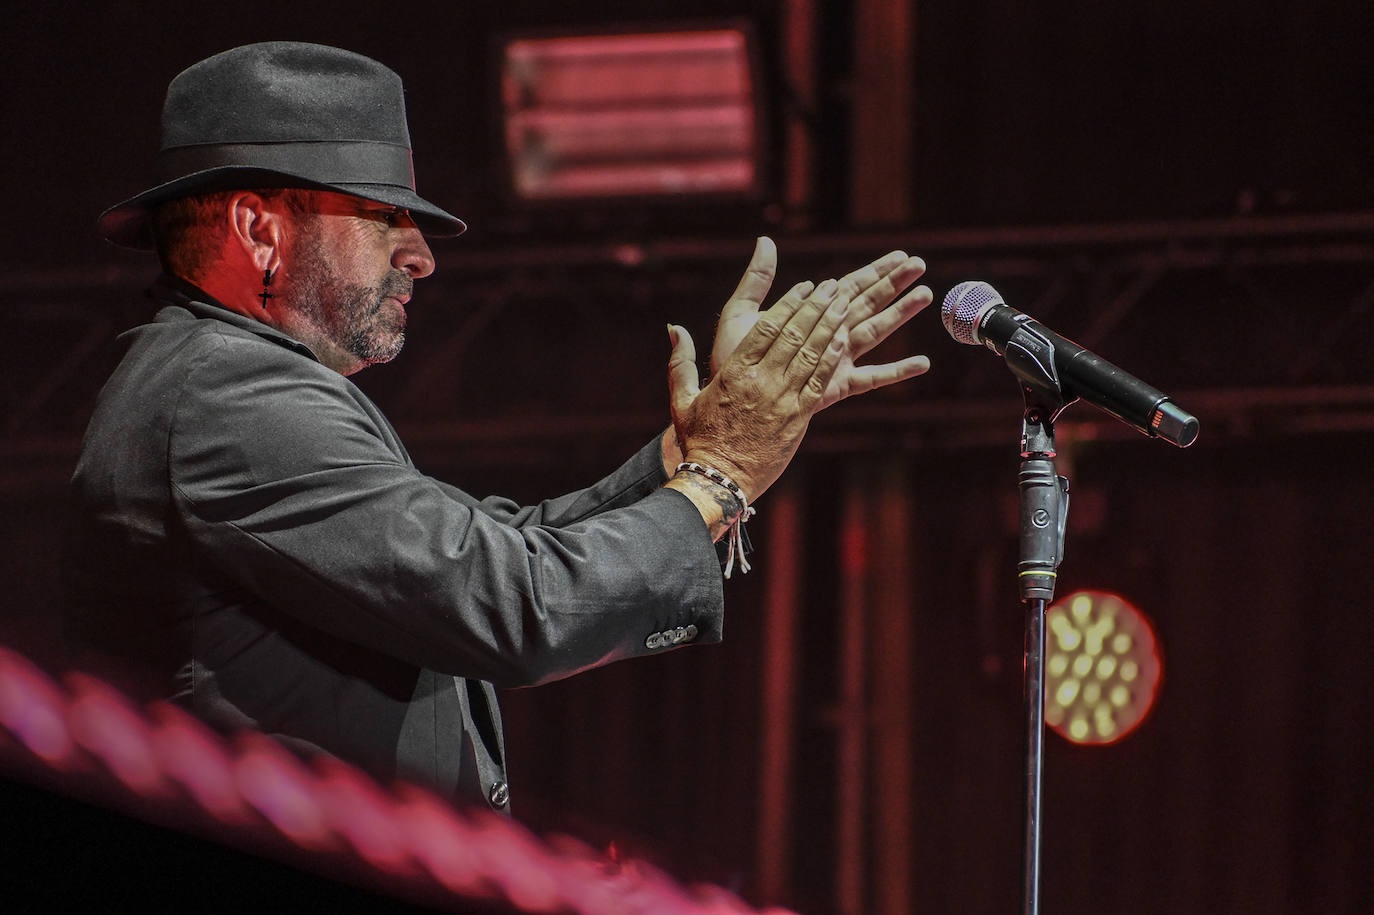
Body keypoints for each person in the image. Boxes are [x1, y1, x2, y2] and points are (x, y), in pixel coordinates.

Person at [62, 42, 933, 813]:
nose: (422, 255)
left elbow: (489, 547)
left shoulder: (224, 384)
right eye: (384, 215)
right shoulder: (229, 395)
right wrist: (718, 475)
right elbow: (514, 601)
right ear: (260, 229)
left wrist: (688, 454)